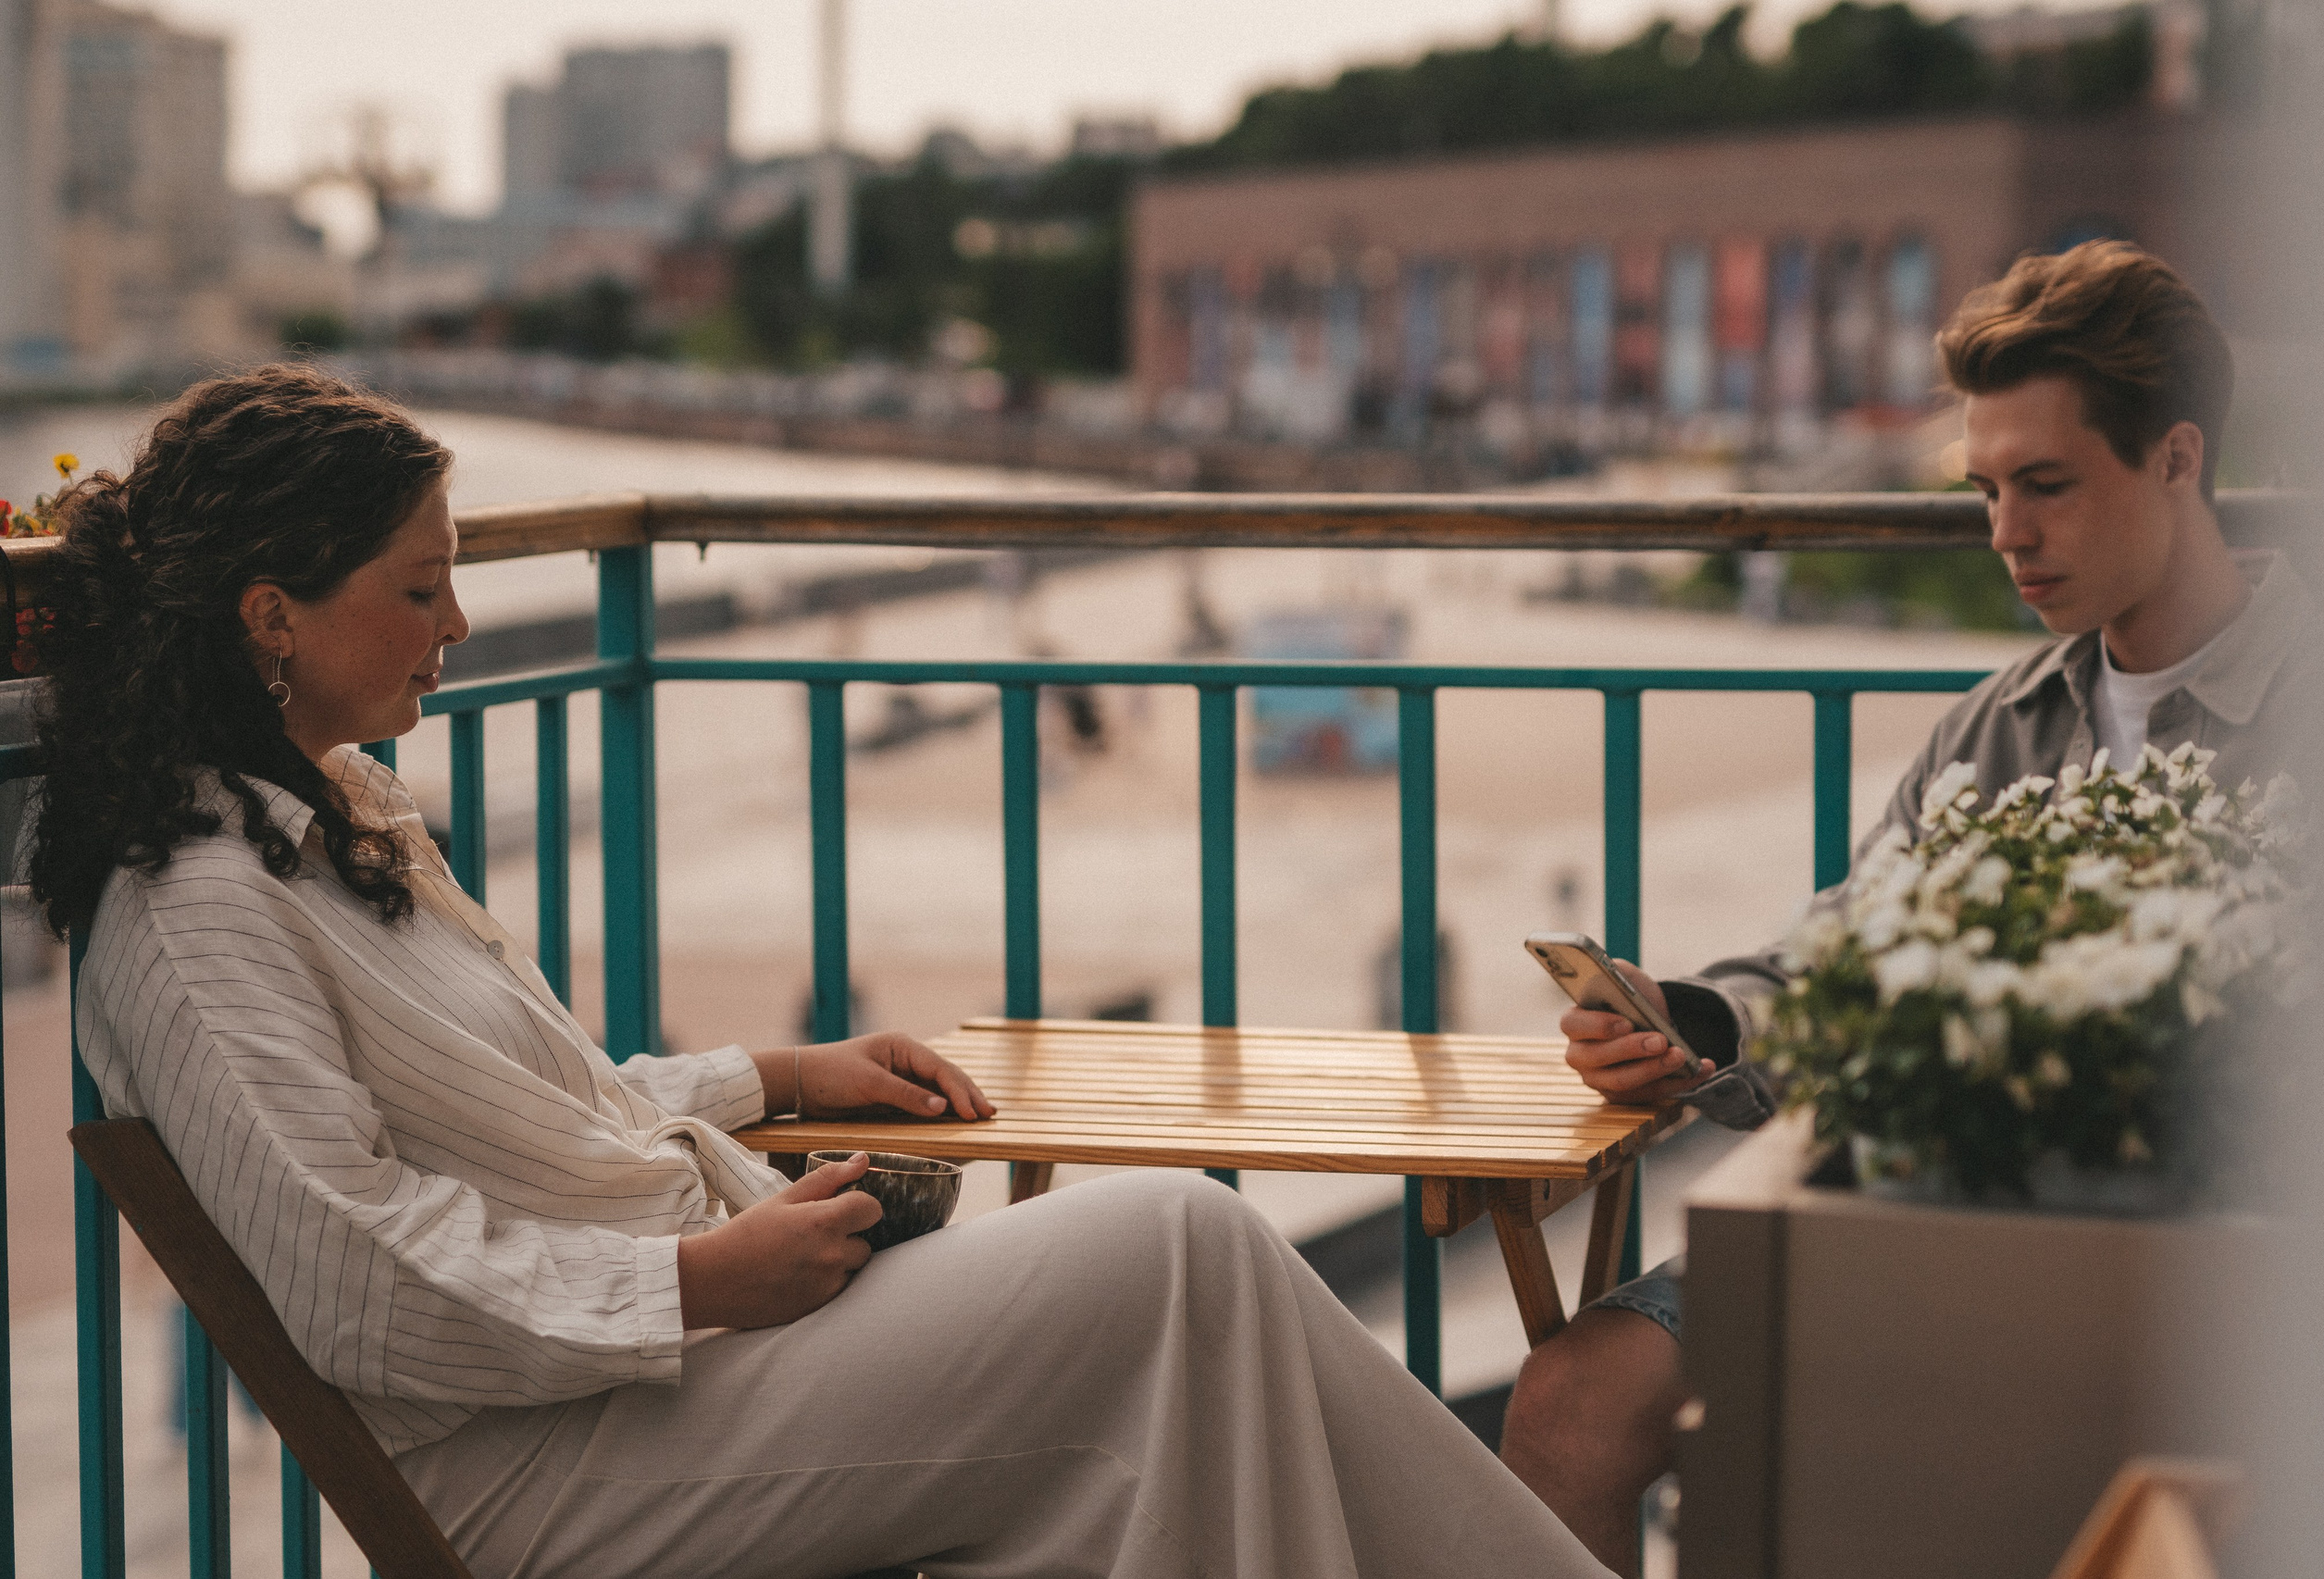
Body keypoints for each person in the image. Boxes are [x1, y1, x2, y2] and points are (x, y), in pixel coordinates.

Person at [38, 365, 1612, 1579]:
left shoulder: (328, 818)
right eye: (420, 583)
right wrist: (694, 1281)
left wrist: (784, 1078)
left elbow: (550, 1115)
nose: (460, 619)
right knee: (1182, 1254)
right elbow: (356, 1280)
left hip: (646, 1367)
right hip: (544, 1453)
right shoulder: (193, 909)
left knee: (1201, 1289)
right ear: (272, 616)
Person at [1498, 240, 2311, 1573]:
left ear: (2177, 457)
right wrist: (1685, 1019)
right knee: (1569, 1405)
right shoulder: (2002, 724)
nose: (2004, 533)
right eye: (1987, 488)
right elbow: (1841, 954)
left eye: (2045, 484)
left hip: (2197, 1259)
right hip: (1919, 1217)